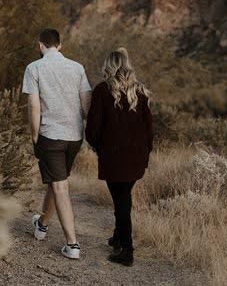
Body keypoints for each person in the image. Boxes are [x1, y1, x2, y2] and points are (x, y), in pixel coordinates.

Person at [22, 28, 92, 260]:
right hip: (74, 137)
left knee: (60, 186)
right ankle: (41, 225)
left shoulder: (34, 68)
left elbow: (34, 107)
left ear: (40, 45)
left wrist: (34, 135)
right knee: (57, 180)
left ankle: (72, 245)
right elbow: (86, 104)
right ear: (60, 45)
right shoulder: (77, 68)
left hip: (50, 135)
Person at [85, 48, 153, 267]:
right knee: (123, 197)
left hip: (114, 156)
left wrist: (99, 148)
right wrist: (146, 152)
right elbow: (149, 128)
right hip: (137, 155)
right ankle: (117, 237)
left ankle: (127, 251)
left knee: (121, 200)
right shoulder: (140, 90)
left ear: (109, 65)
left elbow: (92, 129)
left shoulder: (102, 90)